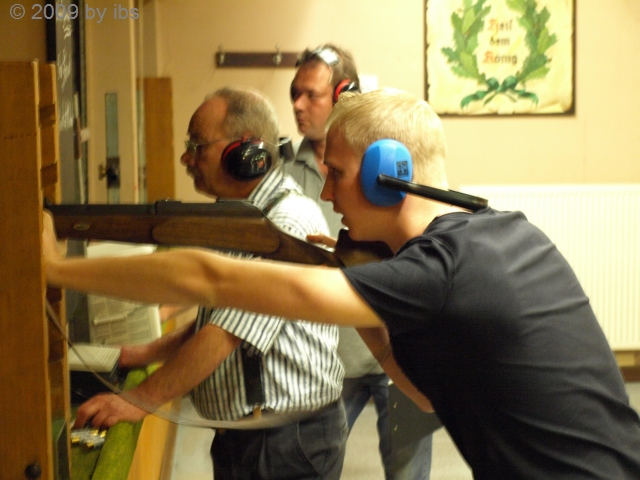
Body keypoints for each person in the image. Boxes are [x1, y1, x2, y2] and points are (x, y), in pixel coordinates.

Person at [43, 88, 640, 479]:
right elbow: (430, 397)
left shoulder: (437, 271)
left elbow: (209, 279)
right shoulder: (501, 232)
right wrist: (367, 307)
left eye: (337, 173)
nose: (326, 193)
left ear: (388, 175)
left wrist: (55, 268)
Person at [64, 86, 349, 480]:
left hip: (286, 443)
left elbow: (222, 336)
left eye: (197, 145)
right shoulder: (244, 218)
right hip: (251, 438)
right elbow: (215, 318)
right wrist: (140, 354)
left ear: (245, 153)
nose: (186, 158)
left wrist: (137, 401)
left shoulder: (286, 223)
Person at [285, 44, 433, 480]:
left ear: (344, 94)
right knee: (312, 468)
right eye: (294, 93)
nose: (298, 105)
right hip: (332, 360)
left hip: (402, 349)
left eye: (311, 94)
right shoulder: (281, 173)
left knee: (409, 474)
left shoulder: (393, 164)